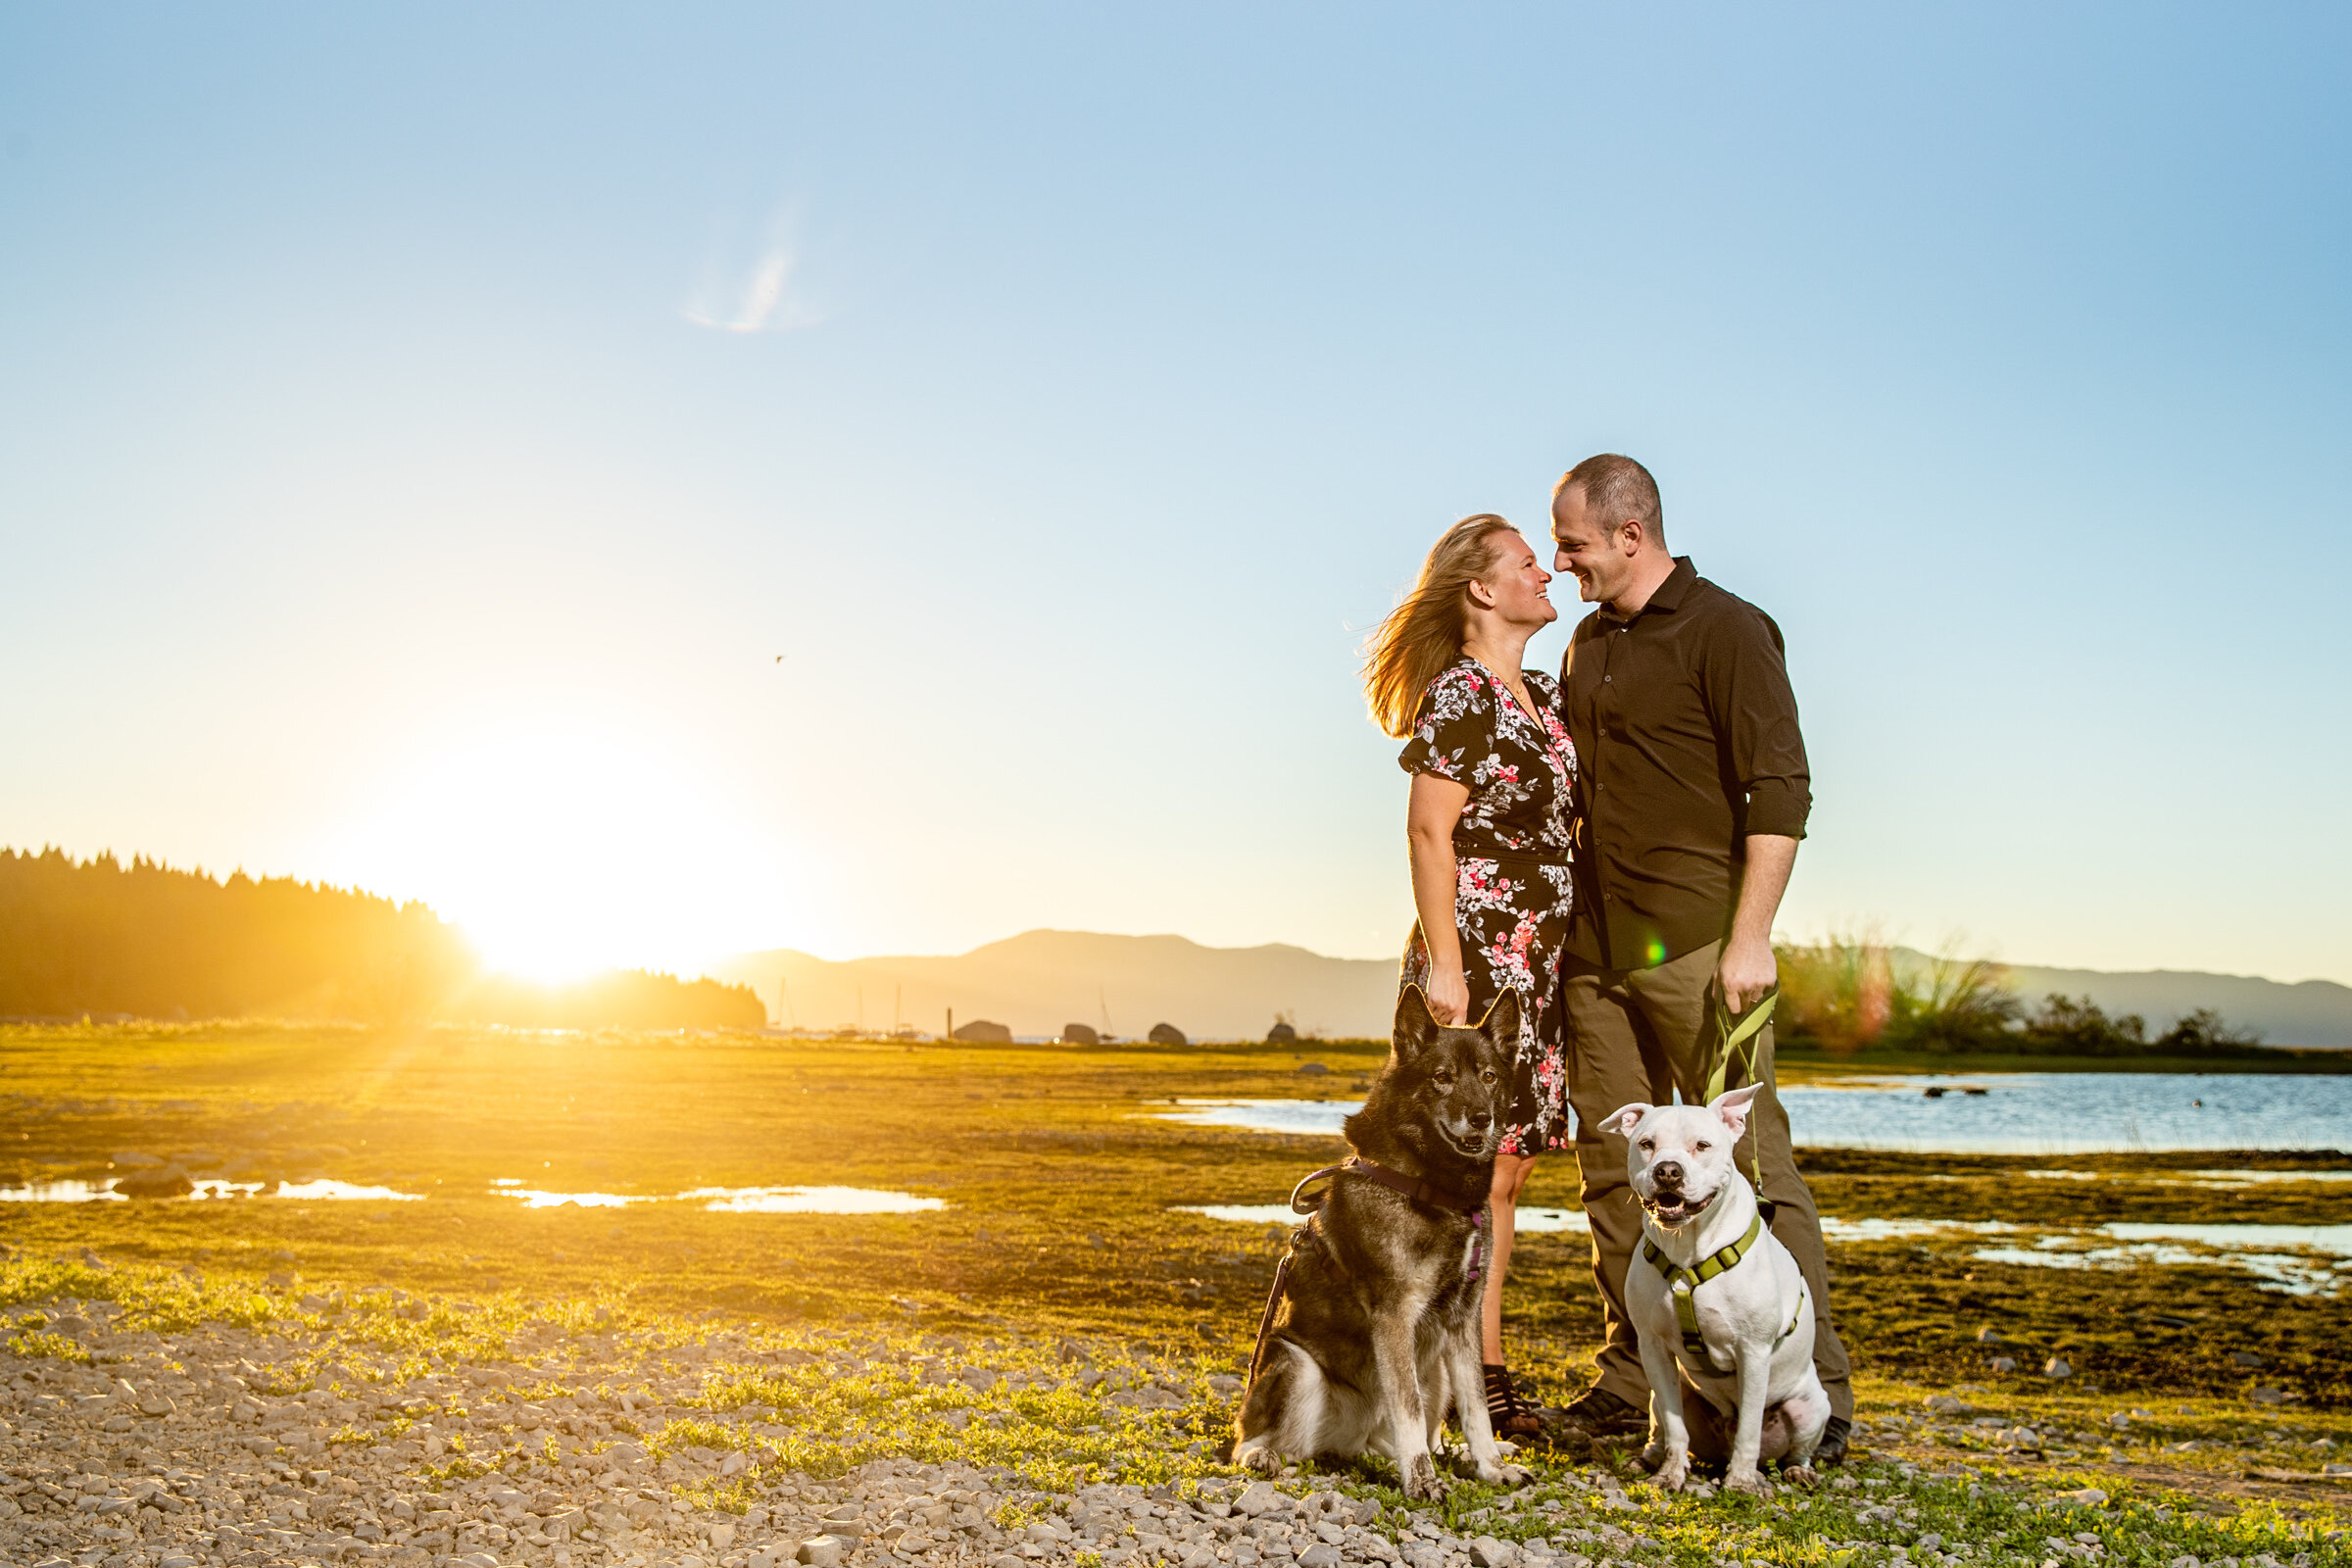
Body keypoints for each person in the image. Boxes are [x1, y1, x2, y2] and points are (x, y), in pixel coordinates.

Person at [1542, 453, 1854, 1465]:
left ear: (1631, 534)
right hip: (1596, 953)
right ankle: (1637, 1380)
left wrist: (1754, 933)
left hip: (1704, 948)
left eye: (1575, 542)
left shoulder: (1731, 628)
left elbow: (1780, 788)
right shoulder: (1587, 642)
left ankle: (1820, 1394)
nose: (1563, 560)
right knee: (1611, 1171)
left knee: (1752, 1168)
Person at [1361, 513, 1578, 1441]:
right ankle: (1474, 1384)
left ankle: (1476, 1372)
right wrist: (1447, 965)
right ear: (1482, 590)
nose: (1549, 572)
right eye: (1530, 563)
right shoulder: (1461, 697)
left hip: (1540, 967)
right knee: (1473, 1175)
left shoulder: (1540, 695)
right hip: (1480, 962)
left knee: (1510, 1173)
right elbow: (1427, 833)